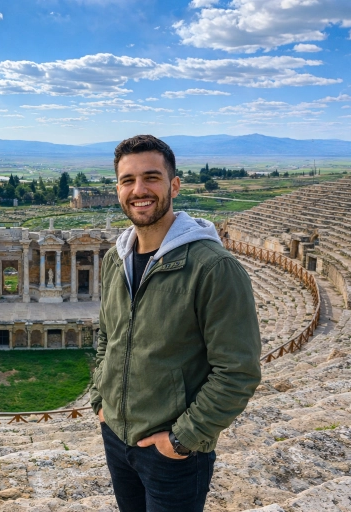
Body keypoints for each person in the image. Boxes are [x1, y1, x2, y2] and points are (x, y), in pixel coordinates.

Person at [90, 135, 261, 511]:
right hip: (117, 438)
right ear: (118, 188)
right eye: (127, 180)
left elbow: (238, 370)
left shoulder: (214, 268)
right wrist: (99, 401)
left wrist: (183, 439)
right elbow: (108, 335)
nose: (139, 190)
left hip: (173, 454)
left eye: (151, 177)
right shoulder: (114, 260)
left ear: (174, 185)